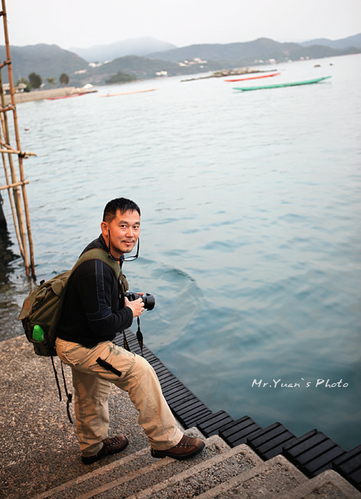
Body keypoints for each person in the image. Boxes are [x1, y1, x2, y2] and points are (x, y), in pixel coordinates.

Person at [55, 197, 205, 464]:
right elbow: (102, 324)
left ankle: (92, 448)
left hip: (73, 339)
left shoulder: (104, 253)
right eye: (123, 226)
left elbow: (97, 304)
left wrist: (121, 302)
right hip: (82, 346)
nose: (131, 233)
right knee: (141, 371)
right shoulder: (96, 267)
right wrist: (130, 312)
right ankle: (165, 441)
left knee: (91, 392)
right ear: (105, 227)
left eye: (136, 226)